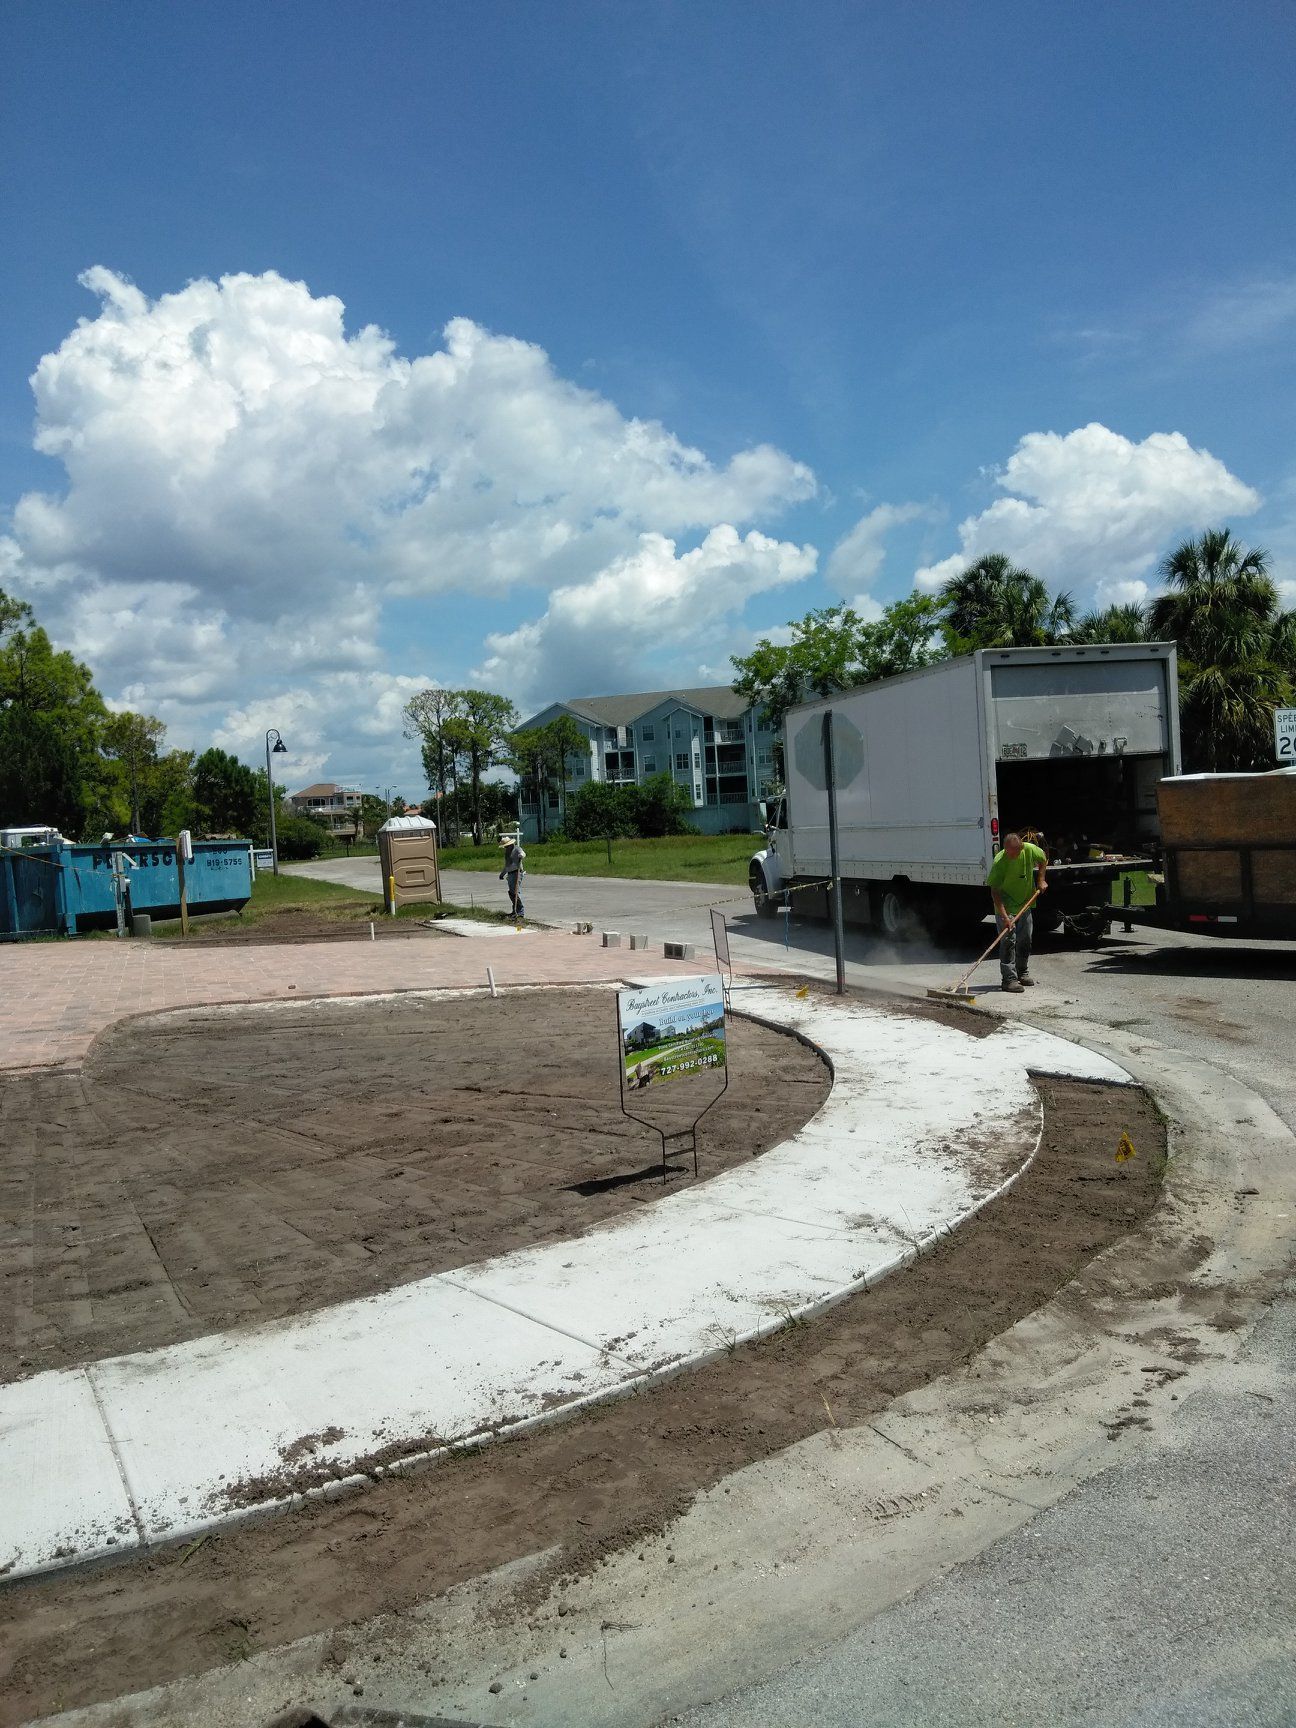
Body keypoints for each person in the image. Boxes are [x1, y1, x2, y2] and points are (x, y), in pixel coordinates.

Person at [987, 831, 1048, 993]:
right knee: (1008, 941)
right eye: (1008, 852)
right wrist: (1005, 916)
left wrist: (1041, 879)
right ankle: (1009, 979)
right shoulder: (1000, 861)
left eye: (1014, 853)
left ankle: (1022, 972)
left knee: (1025, 939)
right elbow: (994, 891)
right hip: (1005, 905)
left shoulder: (1029, 849)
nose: (1010, 855)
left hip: (1024, 903)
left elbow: (1043, 859)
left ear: (1021, 848)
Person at [498, 832, 526, 919]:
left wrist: (521, 855)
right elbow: (507, 866)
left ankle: (520, 912)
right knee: (511, 893)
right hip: (510, 874)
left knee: (516, 892)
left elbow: (523, 853)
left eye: (506, 846)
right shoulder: (507, 853)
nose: (505, 847)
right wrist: (502, 874)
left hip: (517, 872)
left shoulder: (517, 849)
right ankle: (514, 911)